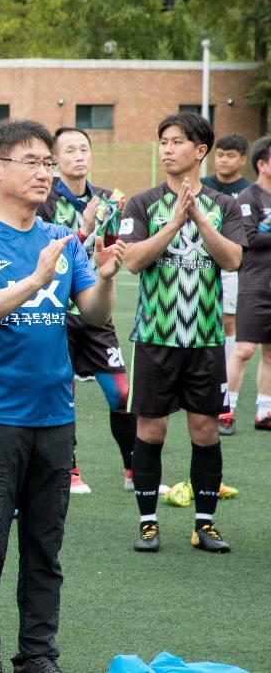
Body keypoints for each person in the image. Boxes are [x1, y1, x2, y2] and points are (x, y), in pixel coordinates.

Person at [0, 119, 123, 673]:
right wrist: (34, 279)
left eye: (49, 163)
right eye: (34, 162)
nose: (46, 172)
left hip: (55, 417)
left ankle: (39, 656)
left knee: (45, 550)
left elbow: (93, 314)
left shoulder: (60, 236)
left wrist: (106, 276)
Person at [121, 113, 244, 554]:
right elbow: (133, 261)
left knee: (205, 432)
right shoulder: (141, 204)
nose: (167, 149)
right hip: (155, 338)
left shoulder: (226, 206)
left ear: (200, 151)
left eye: (177, 141)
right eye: (163, 141)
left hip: (207, 340)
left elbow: (231, 259)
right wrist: (173, 223)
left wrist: (198, 218)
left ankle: (205, 524)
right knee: (151, 431)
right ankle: (148, 523)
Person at [38, 127, 135, 492]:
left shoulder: (109, 199)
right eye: (70, 150)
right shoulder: (44, 200)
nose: (79, 156)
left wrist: (112, 244)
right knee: (63, 393)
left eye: (84, 149)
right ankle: (70, 471)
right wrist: (84, 229)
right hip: (55, 312)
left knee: (122, 394)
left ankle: (133, 471)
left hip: (95, 309)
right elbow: (44, 255)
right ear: (55, 160)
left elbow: (114, 246)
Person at [201, 134, 250, 433]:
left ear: (242, 159)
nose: (223, 160)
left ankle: (221, 383)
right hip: (197, 261)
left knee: (227, 322)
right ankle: (201, 380)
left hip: (229, 264)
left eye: (230, 155)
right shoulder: (203, 185)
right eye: (220, 155)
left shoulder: (247, 191)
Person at [228, 136, 271, 430]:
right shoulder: (248, 198)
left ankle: (264, 411)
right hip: (255, 284)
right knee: (244, 349)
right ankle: (225, 409)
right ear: (262, 164)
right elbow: (251, 239)